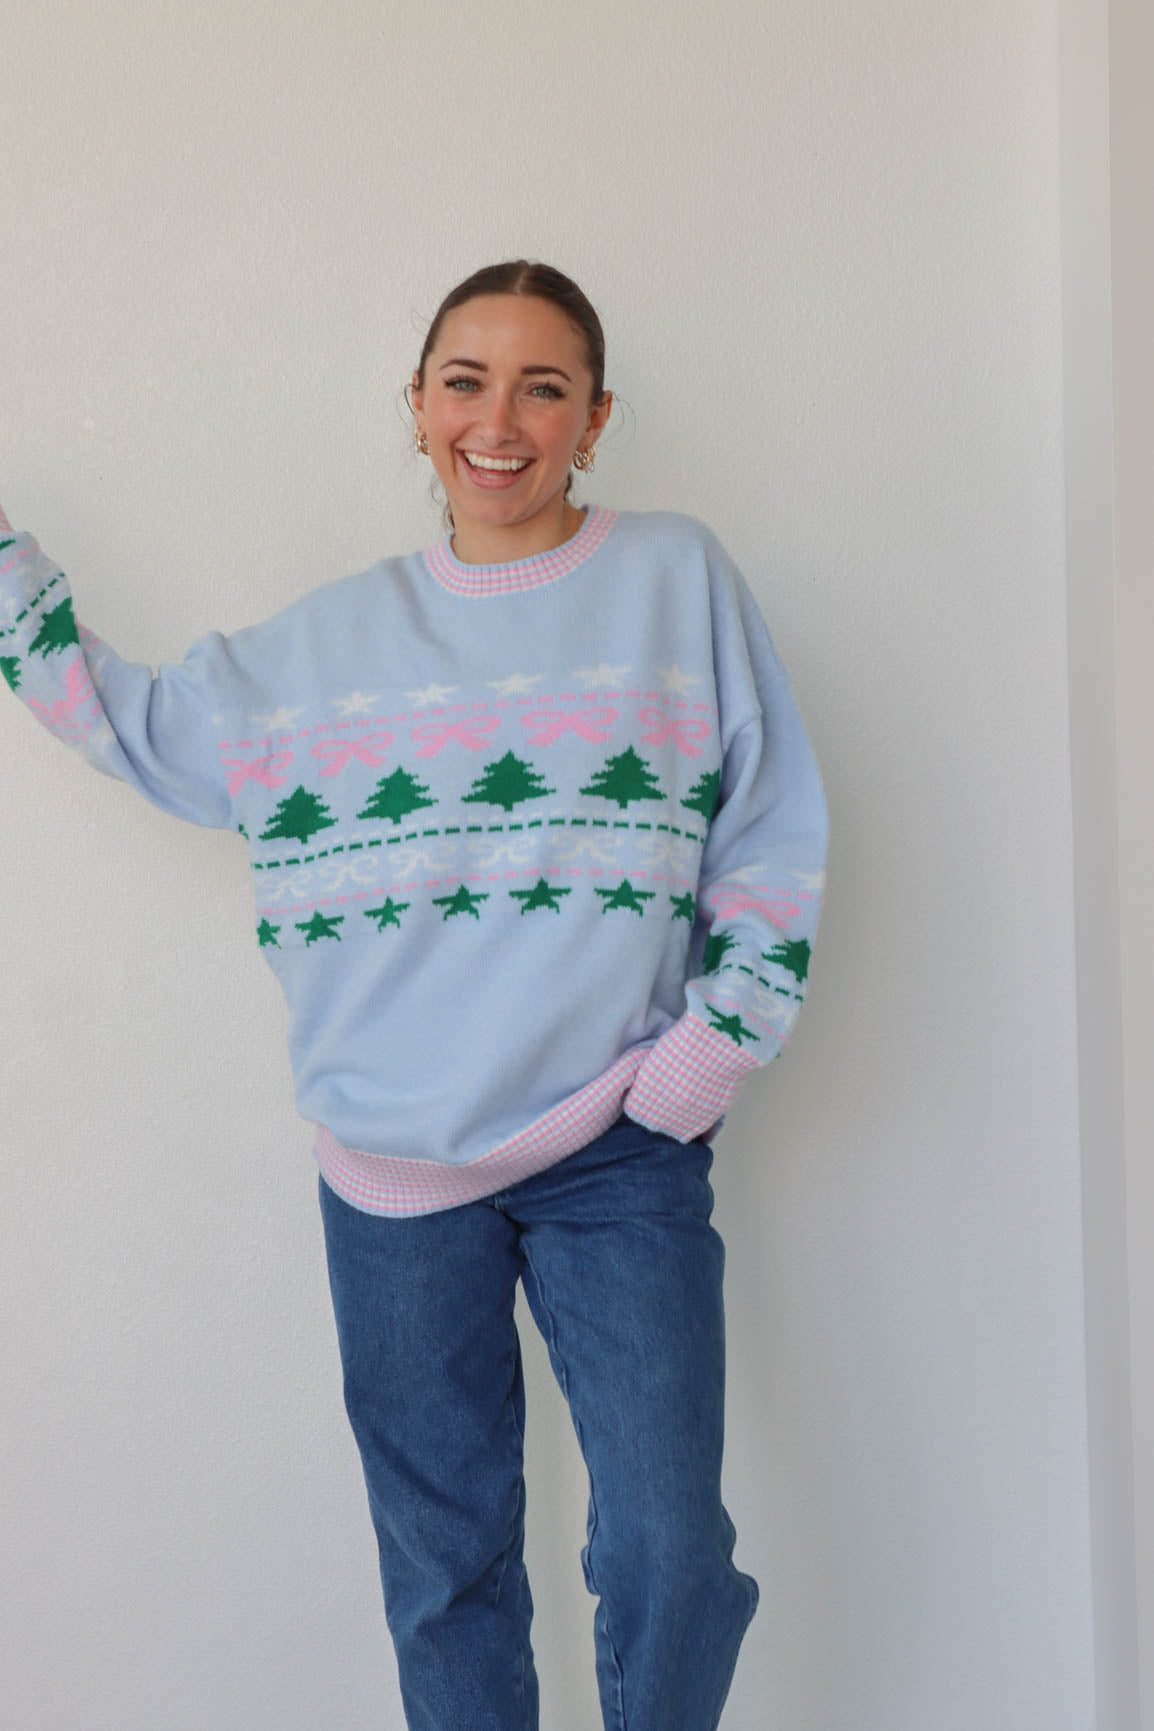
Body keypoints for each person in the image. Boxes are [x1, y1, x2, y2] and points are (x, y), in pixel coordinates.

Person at [0, 259, 829, 1731]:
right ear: (417, 406)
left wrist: (711, 1048)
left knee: (668, 1552)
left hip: (619, 1151)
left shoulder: (672, 581)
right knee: (446, 1573)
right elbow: (131, 723)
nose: (496, 421)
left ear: (594, 418)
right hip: (390, 1178)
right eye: (464, 381)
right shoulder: (325, 648)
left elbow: (767, 824)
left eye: (541, 386)